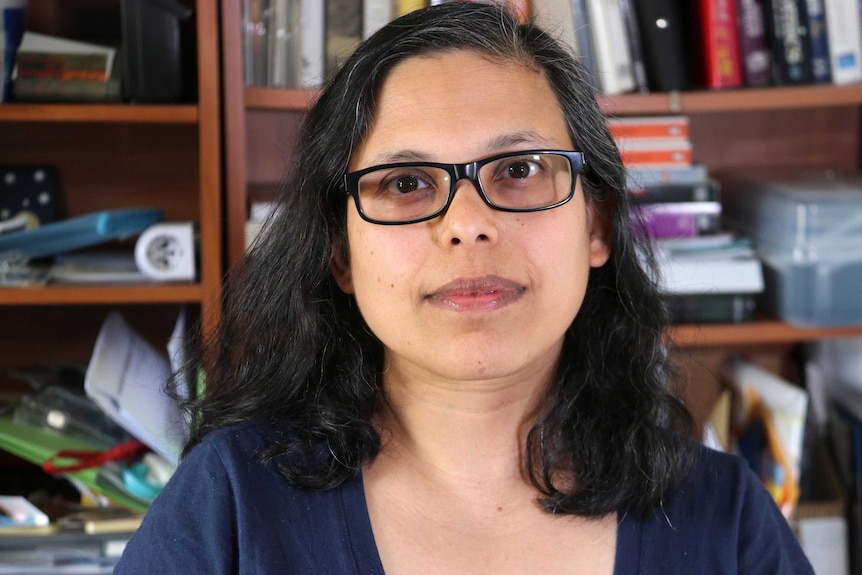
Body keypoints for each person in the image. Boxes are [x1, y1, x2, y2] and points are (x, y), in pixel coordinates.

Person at [114, 3, 813, 573]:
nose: (468, 225)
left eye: (519, 169)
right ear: (341, 255)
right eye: (406, 183)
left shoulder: (727, 519)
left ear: (596, 224)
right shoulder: (230, 504)